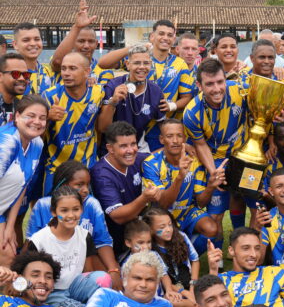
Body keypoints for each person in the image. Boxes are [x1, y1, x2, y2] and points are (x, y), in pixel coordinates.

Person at [24, 186, 111, 307]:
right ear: (54, 212)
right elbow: (29, 278)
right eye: (64, 210)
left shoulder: (84, 236)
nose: (71, 215)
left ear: (81, 210)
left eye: (76, 209)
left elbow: (87, 272)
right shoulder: (39, 240)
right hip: (51, 292)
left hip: (74, 287)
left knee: (103, 278)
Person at [26, 160, 122, 290]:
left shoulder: (92, 204)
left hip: (85, 259)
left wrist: (113, 270)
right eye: (79, 185)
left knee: (107, 281)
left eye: (88, 184)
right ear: (63, 185)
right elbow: (31, 244)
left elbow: (102, 240)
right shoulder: (43, 206)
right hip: (49, 267)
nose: (86, 190)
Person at [183, 58, 250, 245]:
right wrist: (214, 173)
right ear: (199, 85)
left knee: (251, 203)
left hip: (244, 156)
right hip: (215, 160)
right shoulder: (191, 113)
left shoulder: (241, 90)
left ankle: (242, 245)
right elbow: (201, 144)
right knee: (216, 215)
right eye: (209, 84)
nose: (217, 88)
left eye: (220, 82)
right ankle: (218, 259)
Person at [142, 119, 221, 251]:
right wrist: (180, 176)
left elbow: (201, 203)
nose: (175, 140)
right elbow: (163, 204)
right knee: (163, 248)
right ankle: (173, 252)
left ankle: (186, 254)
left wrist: (211, 187)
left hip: (187, 211)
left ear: (184, 138)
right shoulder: (151, 164)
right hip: (161, 213)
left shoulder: (194, 161)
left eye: (179, 136)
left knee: (211, 229)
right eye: (169, 136)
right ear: (162, 139)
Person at [90, 121, 158, 256]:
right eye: (123, 146)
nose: (130, 150)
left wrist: (182, 148)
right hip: (114, 240)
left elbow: (157, 156)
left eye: (133, 144)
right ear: (110, 148)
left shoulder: (136, 158)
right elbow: (117, 217)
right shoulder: (102, 174)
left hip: (138, 232)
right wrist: (144, 198)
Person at [41, 52, 106, 194]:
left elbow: (100, 127)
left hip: (88, 167)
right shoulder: (49, 96)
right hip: (57, 169)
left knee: (88, 213)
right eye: (64, 69)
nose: (66, 73)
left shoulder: (98, 92)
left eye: (72, 68)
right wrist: (46, 118)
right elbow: (35, 137)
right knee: (54, 213)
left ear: (87, 71)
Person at [0, 94, 48, 265]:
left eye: (42, 118)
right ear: (17, 116)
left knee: (9, 254)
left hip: (3, 214)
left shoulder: (37, 144)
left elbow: (22, 186)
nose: (37, 122)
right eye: (31, 116)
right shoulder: (6, 143)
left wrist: (10, 226)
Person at [98, 43, 166, 152]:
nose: (142, 67)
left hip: (135, 149)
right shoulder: (114, 86)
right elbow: (103, 128)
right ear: (128, 64)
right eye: (137, 63)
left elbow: (163, 125)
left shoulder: (155, 91)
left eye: (146, 63)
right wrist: (113, 102)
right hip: (111, 150)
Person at [143, 206, 199, 307]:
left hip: (190, 282)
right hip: (171, 289)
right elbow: (163, 279)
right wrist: (184, 292)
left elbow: (195, 260)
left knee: (210, 288)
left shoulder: (181, 237)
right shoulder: (150, 250)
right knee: (170, 301)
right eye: (162, 227)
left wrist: (192, 287)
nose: (168, 229)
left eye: (170, 224)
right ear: (150, 229)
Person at [49, 0, 113, 86]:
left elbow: (104, 95)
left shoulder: (104, 70)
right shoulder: (64, 62)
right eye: (81, 41)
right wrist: (76, 27)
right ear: (73, 43)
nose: (86, 46)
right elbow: (57, 61)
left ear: (96, 44)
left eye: (90, 41)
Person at [12, 22, 53, 95]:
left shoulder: (49, 71)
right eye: (26, 40)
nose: (33, 43)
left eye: (37, 39)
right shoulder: (10, 75)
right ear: (15, 45)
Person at [0, 52, 30, 125]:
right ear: (0, 76)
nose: (22, 78)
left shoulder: (21, 108)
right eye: (16, 74)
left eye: (26, 75)